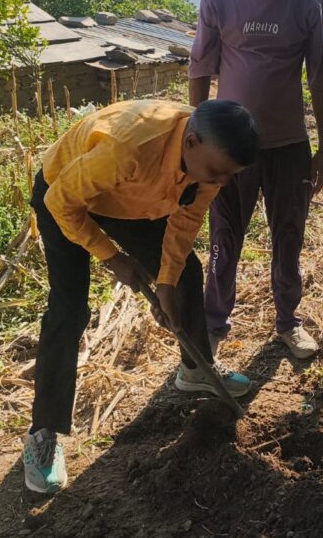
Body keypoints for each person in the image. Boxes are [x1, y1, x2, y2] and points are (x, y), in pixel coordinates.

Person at [24, 98, 260, 495]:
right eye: (216, 173)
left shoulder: (209, 165)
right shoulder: (130, 146)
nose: (220, 182)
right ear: (191, 143)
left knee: (186, 273)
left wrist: (165, 283)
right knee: (69, 309)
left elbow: (186, 220)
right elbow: (61, 203)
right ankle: (43, 431)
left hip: (129, 200)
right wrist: (112, 257)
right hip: (65, 193)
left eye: (228, 175)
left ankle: (195, 369)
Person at [188, 0, 323, 361]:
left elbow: (321, 80)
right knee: (224, 238)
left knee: (289, 237)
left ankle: (288, 321)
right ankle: (213, 324)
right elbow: (200, 67)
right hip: (228, 148)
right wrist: (195, 138)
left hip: (288, 144)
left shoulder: (309, 1)